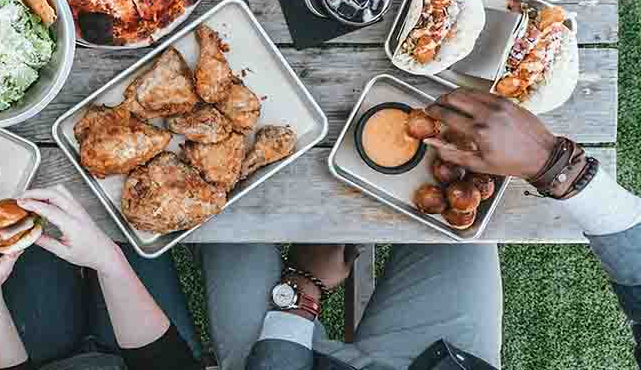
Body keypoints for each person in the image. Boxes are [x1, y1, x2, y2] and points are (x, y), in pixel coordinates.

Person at [201, 88, 641, 370]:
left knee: (212, 205)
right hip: (443, 360)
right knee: (461, 219)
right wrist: (556, 168)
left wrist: (301, 293)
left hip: (278, 361)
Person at [0, 185, 202, 370]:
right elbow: (166, 362)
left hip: (44, 356)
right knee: (130, 213)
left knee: (36, 263)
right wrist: (108, 260)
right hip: (144, 353)